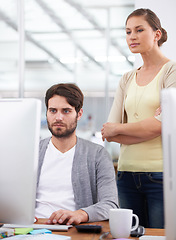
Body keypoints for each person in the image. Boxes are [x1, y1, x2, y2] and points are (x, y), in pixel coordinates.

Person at [101, 8, 176, 228]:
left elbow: (166, 124)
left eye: (139, 30)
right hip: (125, 175)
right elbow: (109, 132)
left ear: (157, 33)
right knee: (127, 235)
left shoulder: (171, 71)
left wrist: (122, 129)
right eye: (128, 31)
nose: (132, 37)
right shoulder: (127, 78)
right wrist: (152, 125)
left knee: (159, 237)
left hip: (161, 175)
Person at [35, 83, 118, 225]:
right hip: (33, 228)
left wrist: (82, 214)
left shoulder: (97, 154)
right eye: (53, 111)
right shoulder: (33, 152)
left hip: (74, 229)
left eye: (66, 111)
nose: (58, 117)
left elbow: (110, 204)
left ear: (79, 114)